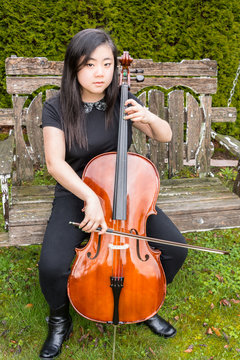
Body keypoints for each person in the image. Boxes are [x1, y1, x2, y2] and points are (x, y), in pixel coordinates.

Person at [38, 28, 188, 359]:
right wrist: (89, 198)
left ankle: (143, 302)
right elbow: (54, 163)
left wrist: (148, 116)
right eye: (90, 64)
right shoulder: (56, 107)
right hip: (76, 190)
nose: (100, 73)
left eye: (107, 64)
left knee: (176, 250)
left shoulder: (122, 99)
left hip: (126, 195)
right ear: (74, 67)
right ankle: (59, 320)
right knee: (52, 266)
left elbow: (164, 136)